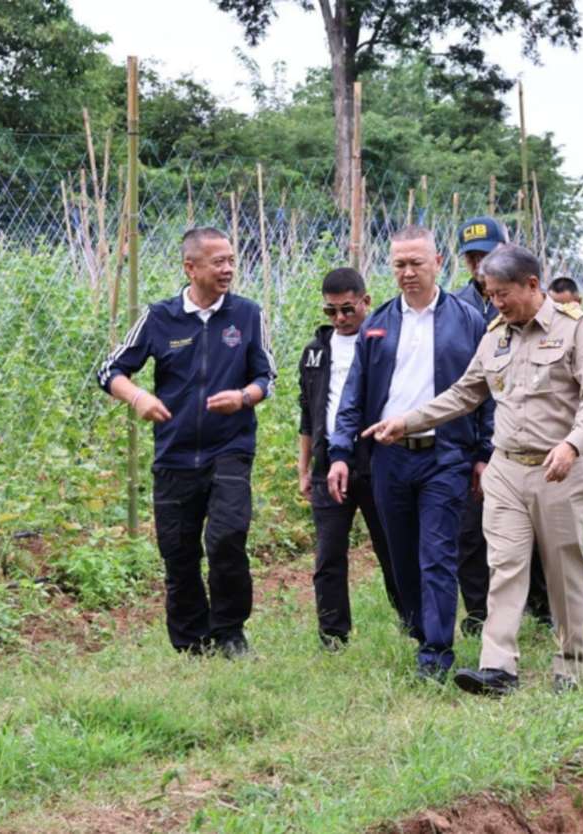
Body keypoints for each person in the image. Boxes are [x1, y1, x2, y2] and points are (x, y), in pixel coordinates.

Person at [362, 244, 583, 695]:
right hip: (507, 472)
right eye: (490, 294)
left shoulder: (576, 330)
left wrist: (574, 444)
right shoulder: (495, 334)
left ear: (532, 285)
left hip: (557, 469)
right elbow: (464, 393)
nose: (494, 303)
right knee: (505, 566)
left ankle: (573, 665)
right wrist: (408, 421)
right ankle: (499, 668)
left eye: (502, 294)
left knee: (562, 568)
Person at [97, 227, 277, 657]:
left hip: (230, 447)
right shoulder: (160, 317)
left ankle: (230, 632)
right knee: (178, 551)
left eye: (232, 260)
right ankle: (191, 642)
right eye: (218, 261)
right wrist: (138, 396)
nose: (229, 269)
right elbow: (110, 371)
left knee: (227, 537)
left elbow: (267, 377)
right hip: (175, 454)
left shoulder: (247, 315)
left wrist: (244, 397)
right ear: (190, 267)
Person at [327, 225, 491, 681]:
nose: (408, 272)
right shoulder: (377, 324)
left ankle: (436, 653)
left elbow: (487, 392)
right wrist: (340, 454)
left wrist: (483, 452)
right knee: (400, 555)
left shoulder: (467, 320)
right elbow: (353, 397)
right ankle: (422, 630)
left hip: (446, 454)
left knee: (436, 551)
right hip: (390, 458)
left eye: (416, 262)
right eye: (399, 263)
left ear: (438, 262)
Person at [452, 216, 549, 636]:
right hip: (471, 435)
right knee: (471, 533)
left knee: (536, 534)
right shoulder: (456, 309)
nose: (479, 264)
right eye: (472, 257)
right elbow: (464, 387)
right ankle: (479, 614)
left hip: (520, 436)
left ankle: (544, 607)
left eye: (486, 254)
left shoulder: (531, 304)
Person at [297, 267, 398, 647]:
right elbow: (308, 412)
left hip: (377, 461)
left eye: (347, 309)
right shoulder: (315, 352)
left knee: (391, 548)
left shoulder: (383, 342)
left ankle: (410, 620)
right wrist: (304, 468)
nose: (340, 318)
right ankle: (333, 634)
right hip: (328, 465)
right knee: (328, 555)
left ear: (366, 302)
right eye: (331, 311)